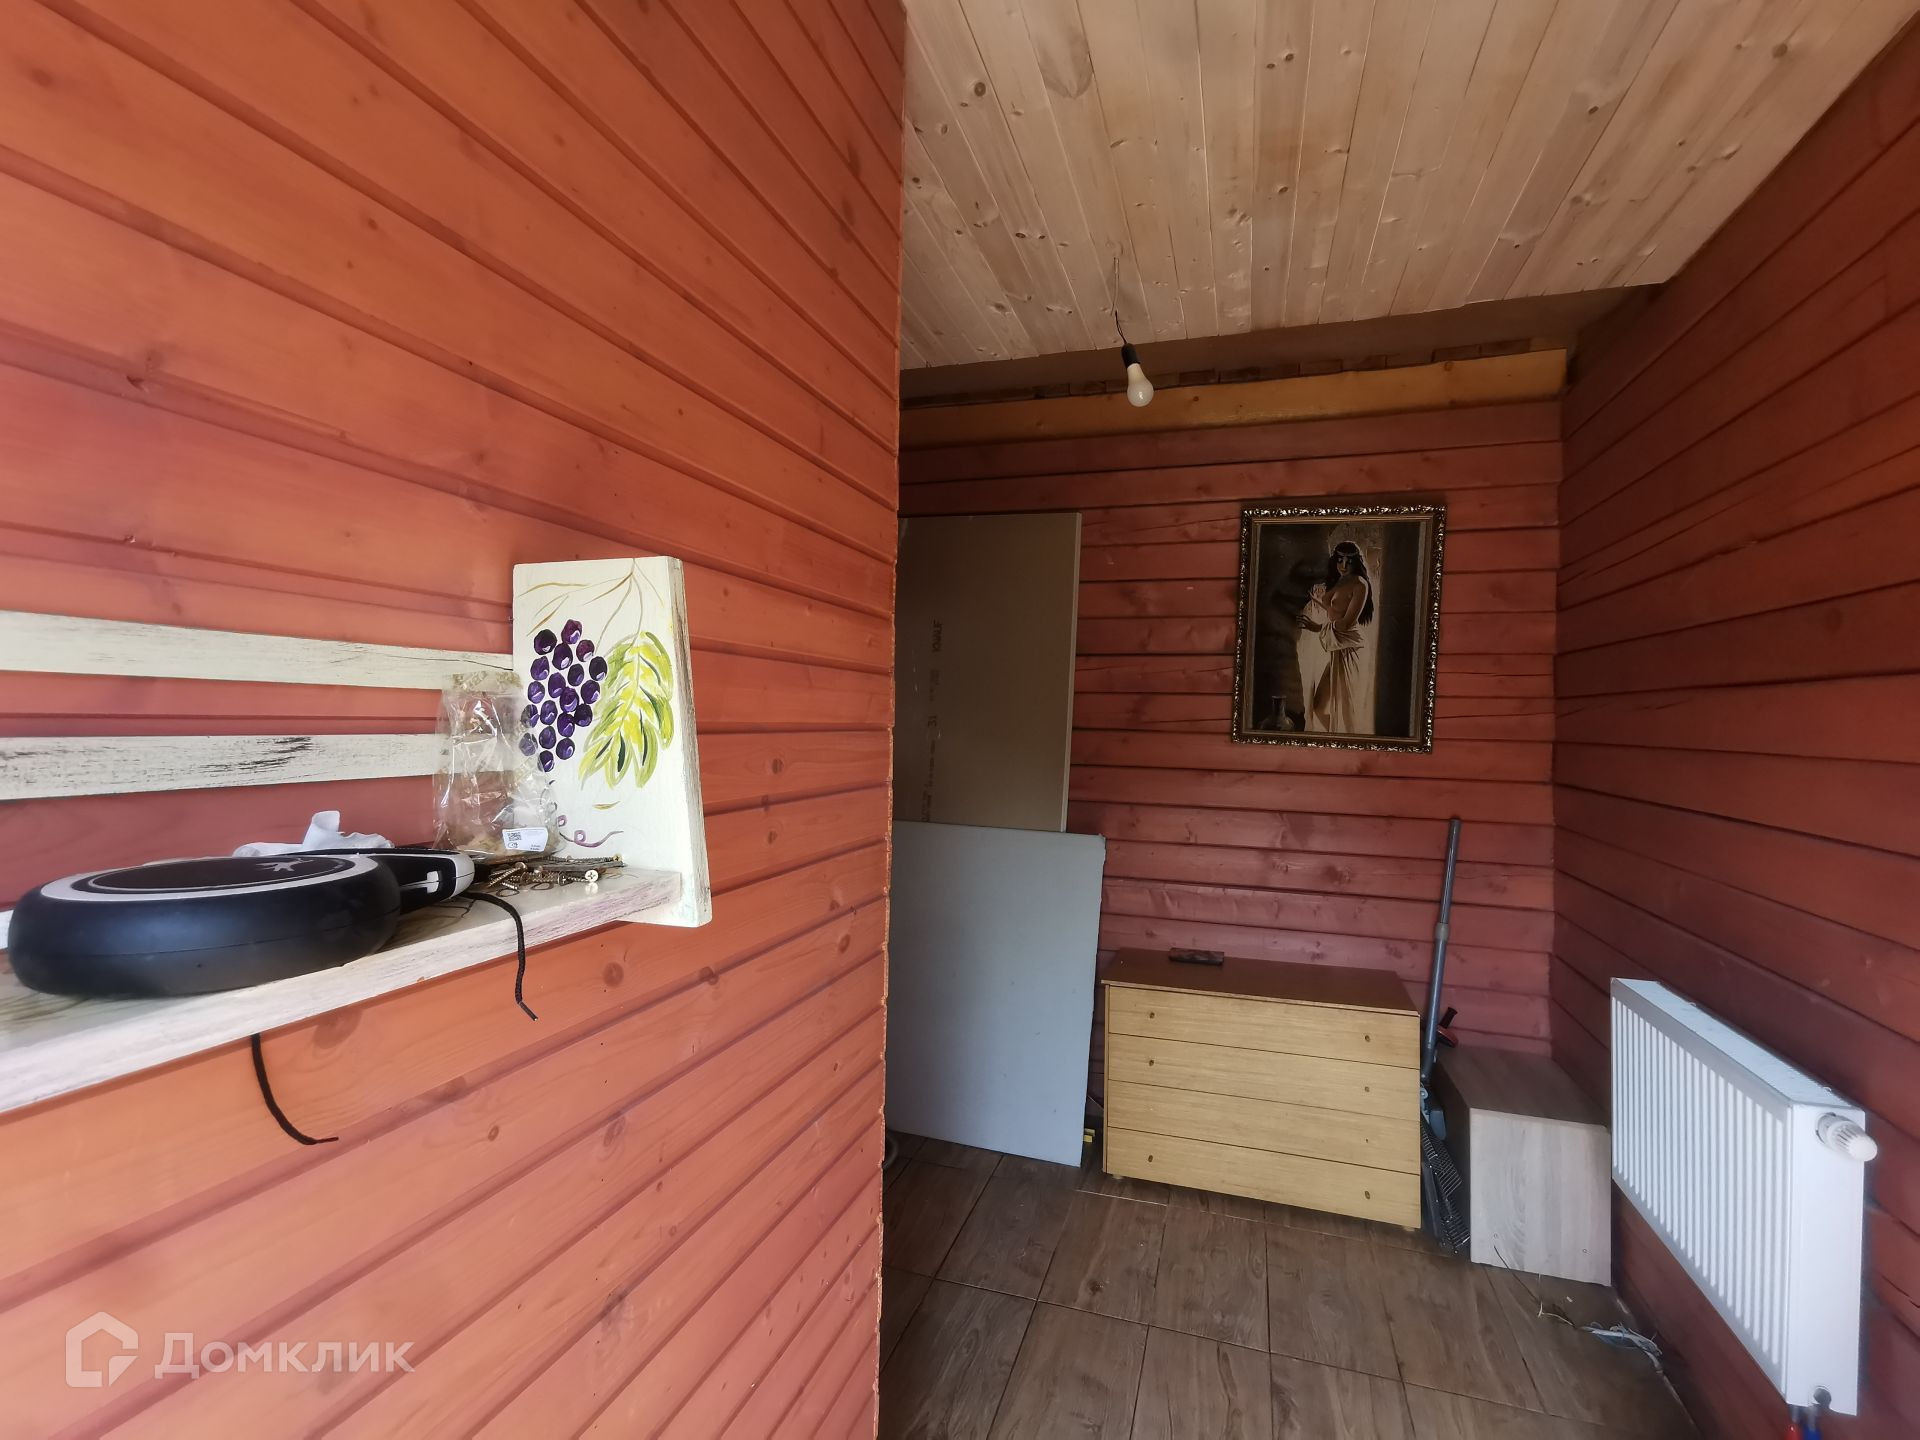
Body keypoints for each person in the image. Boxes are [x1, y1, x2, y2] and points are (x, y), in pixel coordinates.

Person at [1297, 541, 1374, 733]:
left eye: (1349, 561)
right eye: (1340, 560)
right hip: (1338, 646)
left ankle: (1348, 741)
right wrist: (1316, 601)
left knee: (1349, 709)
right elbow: (1335, 610)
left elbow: (1347, 623)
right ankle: (1339, 737)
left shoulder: (1360, 584)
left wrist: (1317, 628)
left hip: (1353, 648)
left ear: (1356, 562)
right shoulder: (1339, 579)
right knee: (1319, 707)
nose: (1344, 565)